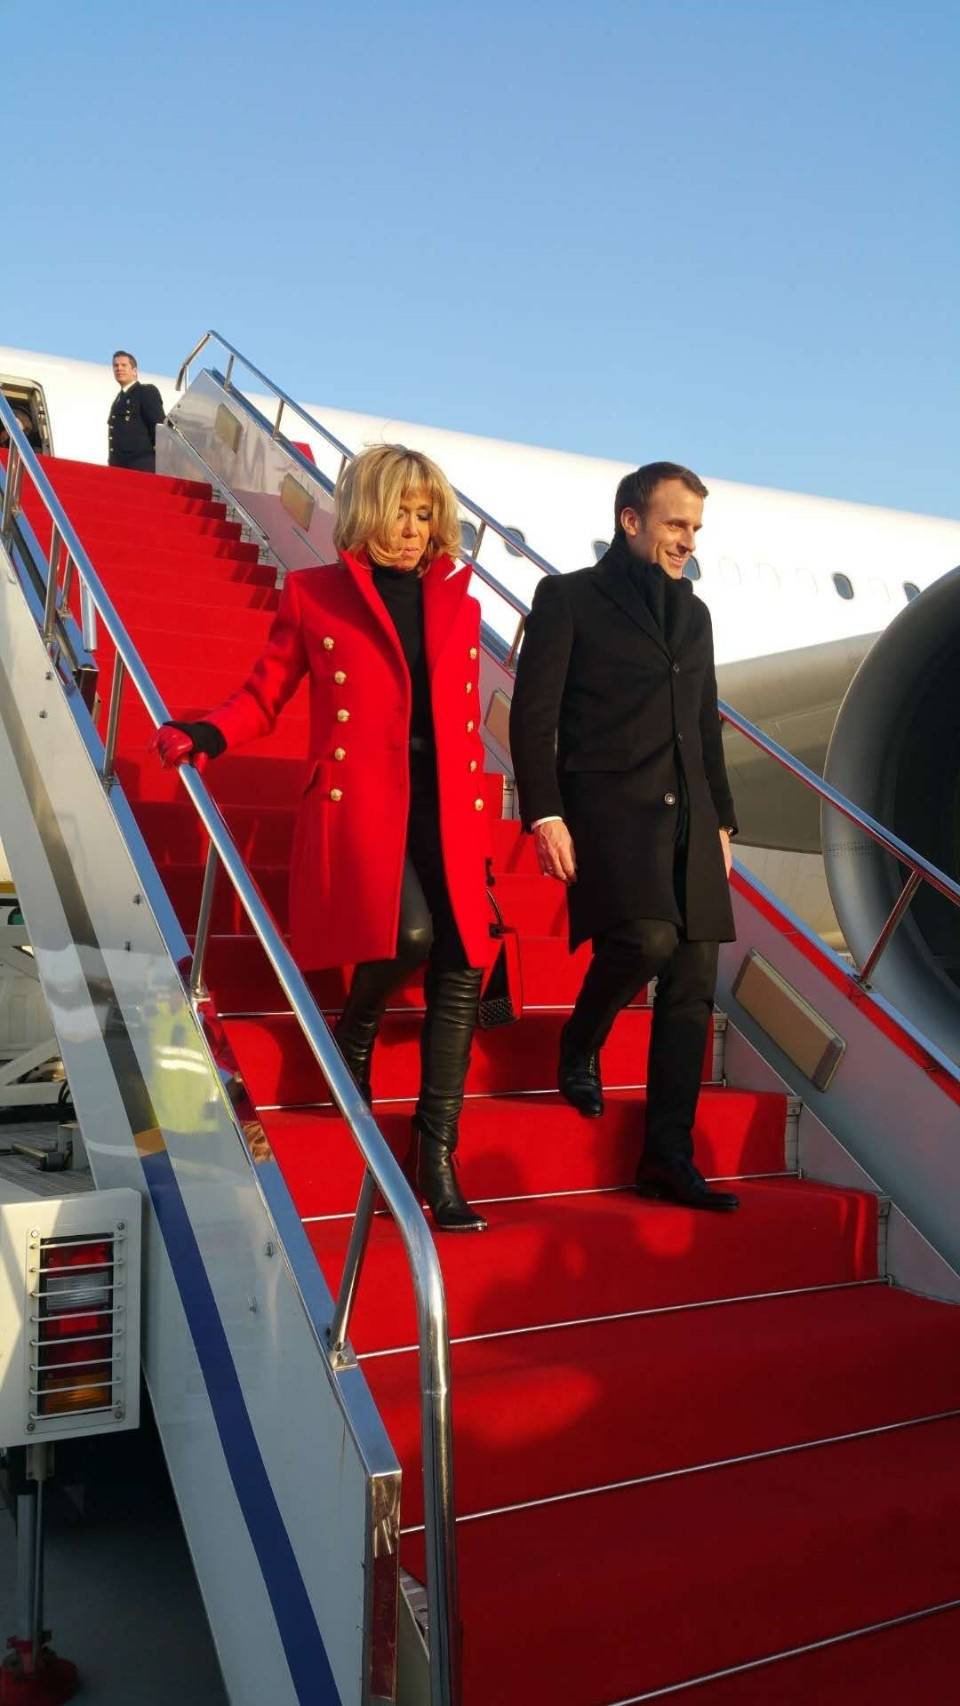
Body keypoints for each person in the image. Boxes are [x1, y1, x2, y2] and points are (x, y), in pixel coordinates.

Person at [154, 444, 496, 1232]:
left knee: (461, 964)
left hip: (447, 804)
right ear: (367, 510)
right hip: (364, 805)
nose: (412, 530)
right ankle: (355, 1030)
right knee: (410, 935)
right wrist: (208, 731)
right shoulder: (315, 594)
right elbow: (266, 693)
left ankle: (435, 1155)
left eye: (425, 515)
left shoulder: (461, 604)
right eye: (399, 512)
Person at [509, 461, 740, 1212]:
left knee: (693, 984)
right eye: (676, 524)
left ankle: (668, 1157)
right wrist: (545, 813)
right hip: (610, 808)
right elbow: (533, 715)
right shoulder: (569, 597)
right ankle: (581, 1039)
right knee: (647, 940)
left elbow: (704, 724)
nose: (688, 540)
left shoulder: (695, 616)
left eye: (695, 528)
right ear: (631, 520)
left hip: (691, 815)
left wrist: (723, 820)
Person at [108, 350, 164, 472]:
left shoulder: (145, 392)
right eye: (116, 366)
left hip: (140, 465)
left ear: (134, 371)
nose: (119, 368)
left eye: (124, 365)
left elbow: (158, 427)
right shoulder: (118, 400)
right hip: (119, 467)